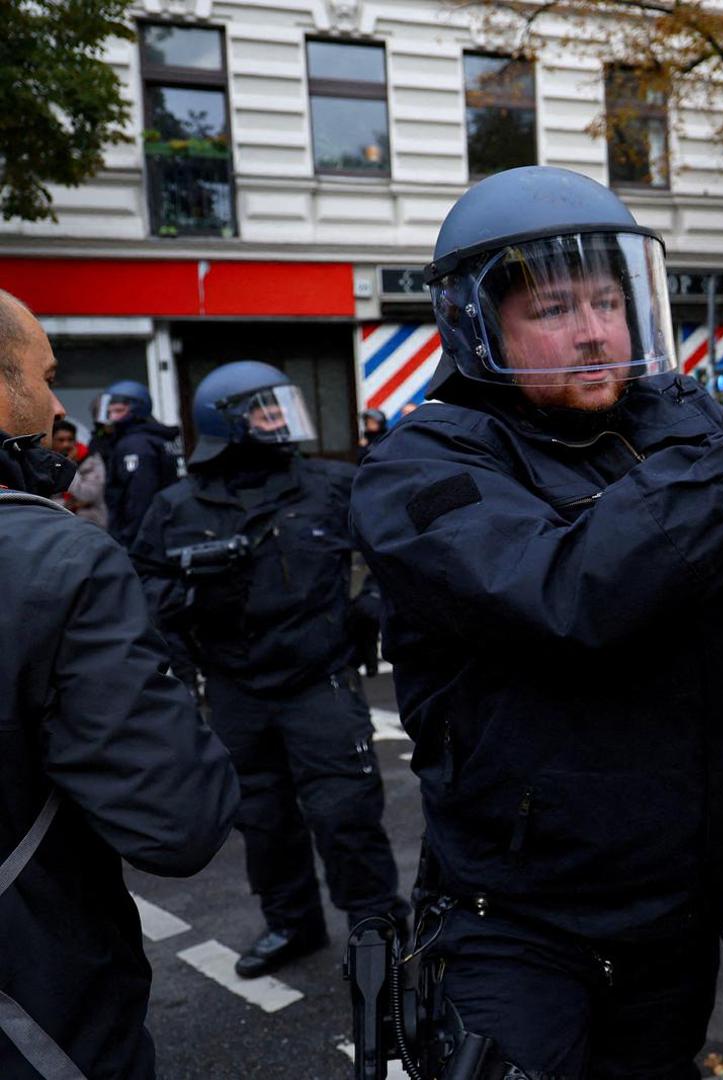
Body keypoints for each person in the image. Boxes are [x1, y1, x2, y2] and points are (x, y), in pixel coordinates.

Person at [349, 165, 723, 1077]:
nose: (597, 331)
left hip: (677, 913)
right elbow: (571, 588)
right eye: (556, 309)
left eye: (610, 300)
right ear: (481, 323)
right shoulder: (422, 466)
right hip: (519, 925)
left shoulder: (677, 423)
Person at [0, 288, 239, 1079]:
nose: (55, 401)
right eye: (44, 375)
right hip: (40, 1023)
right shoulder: (58, 560)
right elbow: (179, 821)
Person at [131, 361, 407, 980]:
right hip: (235, 690)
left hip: (320, 683)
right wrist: (191, 596)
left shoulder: (332, 485)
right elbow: (143, 585)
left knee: (345, 813)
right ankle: (291, 923)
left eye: (283, 407)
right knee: (262, 819)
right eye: (265, 410)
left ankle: (376, 933)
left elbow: (397, 556)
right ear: (225, 425)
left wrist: (370, 611)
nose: (281, 420)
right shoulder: (176, 506)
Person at [91, 379, 183, 547]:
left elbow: (139, 498)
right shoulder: (158, 438)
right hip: (166, 530)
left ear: (137, 409)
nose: (112, 417)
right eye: (109, 411)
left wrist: (129, 540)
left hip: (144, 539)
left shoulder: (136, 444)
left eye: (118, 411)